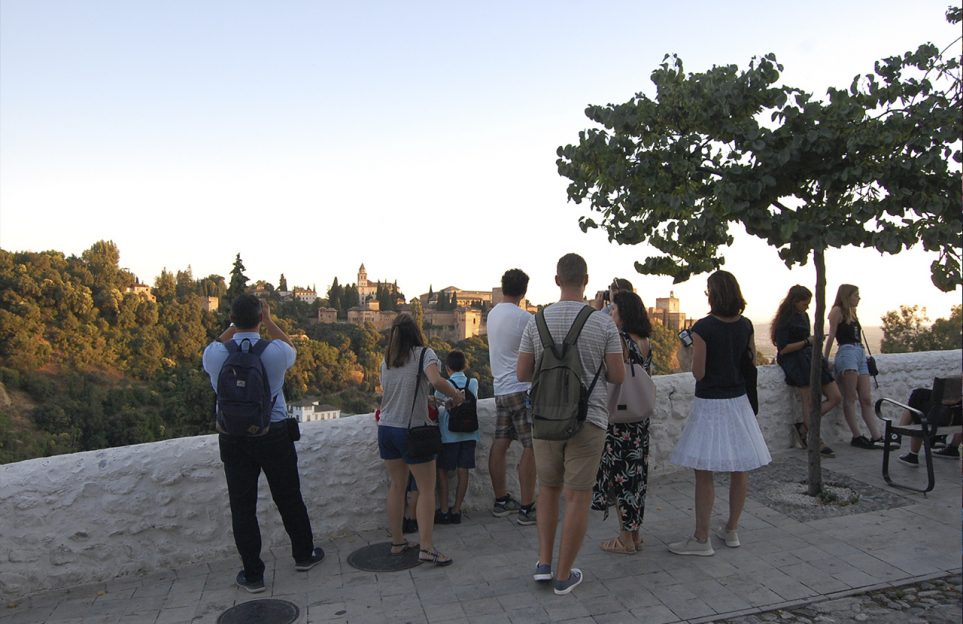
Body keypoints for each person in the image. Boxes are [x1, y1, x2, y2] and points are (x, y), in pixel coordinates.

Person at [517, 253, 624, 595]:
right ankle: (564, 575)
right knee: (577, 497)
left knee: (547, 490)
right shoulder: (603, 323)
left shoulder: (537, 321)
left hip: (546, 419)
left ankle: (544, 564)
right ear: (587, 280)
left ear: (557, 280)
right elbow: (618, 375)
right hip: (588, 419)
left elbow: (522, 372)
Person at [202, 295, 324, 593]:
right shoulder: (276, 351)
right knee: (289, 496)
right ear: (260, 317)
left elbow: (214, 346)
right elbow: (292, 347)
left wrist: (233, 327)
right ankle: (304, 555)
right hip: (273, 432)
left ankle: (253, 574)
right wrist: (269, 321)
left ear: (232, 319)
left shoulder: (216, 353)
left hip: (232, 436)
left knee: (242, 507)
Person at [669, 271, 772, 557]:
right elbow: (749, 362)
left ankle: (702, 538)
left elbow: (699, 372)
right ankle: (732, 529)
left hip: (711, 403)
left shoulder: (705, 327)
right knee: (740, 469)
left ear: (712, 294)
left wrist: (686, 351)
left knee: (704, 472)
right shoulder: (747, 325)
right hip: (738, 401)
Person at [378, 313, 465, 566]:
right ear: (416, 332)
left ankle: (397, 542)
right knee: (426, 489)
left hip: (386, 428)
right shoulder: (424, 353)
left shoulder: (388, 359)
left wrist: (424, 398)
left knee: (397, 486)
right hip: (411, 430)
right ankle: (427, 547)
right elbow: (436, 380)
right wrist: (457, 395)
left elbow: (393, 391)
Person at [591, 291, 653, 555]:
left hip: (619, 422)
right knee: (636, 479)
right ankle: (635, 535)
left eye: (614, 309)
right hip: (639, 421)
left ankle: (625, 539)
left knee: (620, 479)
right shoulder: (645, 341)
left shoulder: (621, 340)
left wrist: (597, 309)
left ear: (624, 312)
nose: (611, 312)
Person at [486, 269, 537, 525]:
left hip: (500, 390)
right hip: (521, 388)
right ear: (524, 291)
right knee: (532, 446)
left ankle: (500, 499)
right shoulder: (524, 318)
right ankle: (527, 507)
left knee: (501, 442)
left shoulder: (492, 314)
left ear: (503, 286)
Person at [771, 285, 842, 457]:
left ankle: (805, 427)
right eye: (805, 303)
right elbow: (783, 349)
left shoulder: (804, 316)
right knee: (808, 400)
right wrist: (808, 342)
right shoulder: (784, 321)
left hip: (811, 357)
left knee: (835, 397)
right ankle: (815, 438)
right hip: (795, 360)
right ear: (795, 302)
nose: (807, 307)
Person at [822, 284, 885, 449]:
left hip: (859, 352)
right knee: (850, 397)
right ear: (847, 296)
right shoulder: (837, 311)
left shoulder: (852, 313)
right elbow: (832, 336)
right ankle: (857, 436)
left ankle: (876, 436)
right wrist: (824, 359)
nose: (858, 298)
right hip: (847, 351)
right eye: (856, 295)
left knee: (866, 398)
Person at [434, 351, 480, 525]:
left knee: (443, 471)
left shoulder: (443, 385)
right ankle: (457, 510)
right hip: (470, 433)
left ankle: (444, 510)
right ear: (465, 366)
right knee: (463, 471)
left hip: (449, 435)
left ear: (447, 368)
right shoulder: (473, 382)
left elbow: (438, 407)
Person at [897, 387, 962, 466]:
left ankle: (900, 440)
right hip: (956, 418)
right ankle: (951, 447)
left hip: (946, 417)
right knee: (919, 400)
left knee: (917, 398)